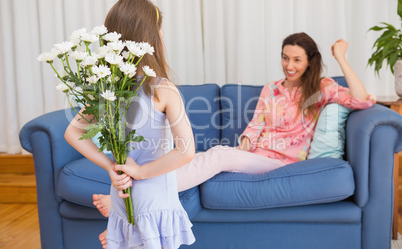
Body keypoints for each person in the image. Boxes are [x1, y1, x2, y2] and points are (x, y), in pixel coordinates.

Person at [93, 32, 376, 247]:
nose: (289, 65)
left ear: (310, 62)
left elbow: (362, 100)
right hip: (258, 157)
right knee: (216, 157)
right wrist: (240, 152)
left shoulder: (322, 88)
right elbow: (254, 128)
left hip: (285, 163)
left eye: (297, 60)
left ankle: (129, 202)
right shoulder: (271, 89)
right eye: (285, 57)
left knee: (217, 155)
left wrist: (340, 56)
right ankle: (130, 220)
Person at [65, 0, 196, 249]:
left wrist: (111, 167)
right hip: (155, 198)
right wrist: (140, 171)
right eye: (161, 33)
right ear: (151, 40)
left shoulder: (105, 89)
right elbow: (186, 150)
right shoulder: (163, 90)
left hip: (121, 193)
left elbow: (73, 133)